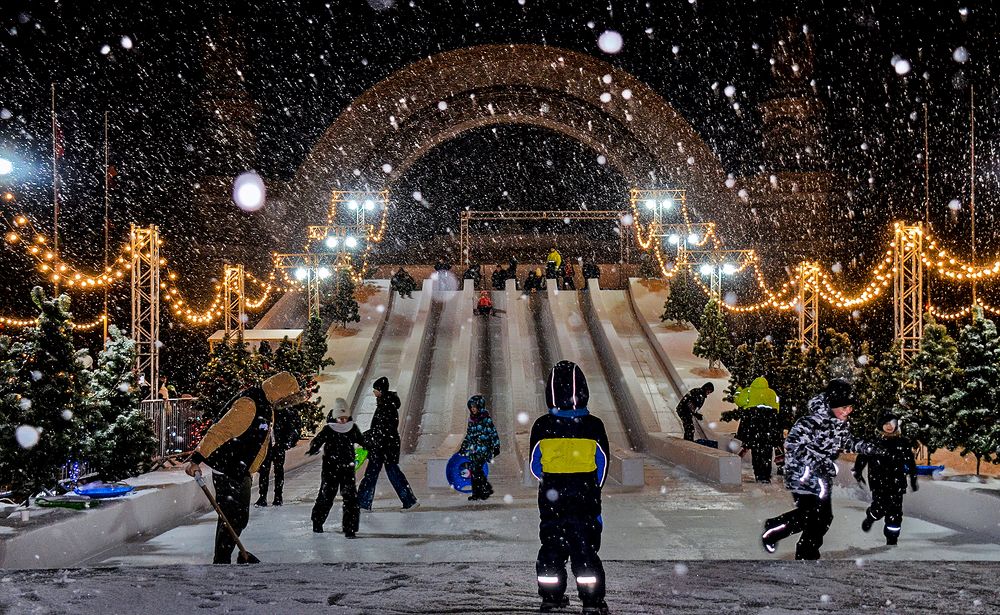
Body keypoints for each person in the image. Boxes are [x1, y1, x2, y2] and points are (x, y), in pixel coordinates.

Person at [185, 371, 302, 564]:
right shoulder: (250, 404)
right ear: (279, 390)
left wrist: (253, 467)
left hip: (241, 469)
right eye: (287, 396)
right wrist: (197, 458)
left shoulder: (266, 405)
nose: (287, 401)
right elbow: (220, 430)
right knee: (231, 518)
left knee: (239, 517)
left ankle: (229, 556)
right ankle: (221, 560)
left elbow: (262, 440)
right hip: (228, 467)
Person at [761, 378, 884, 560]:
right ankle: (804, 551)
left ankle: (779, 533)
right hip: (802, 475)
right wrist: (816, 462)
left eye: (850, 407)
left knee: (823, 518)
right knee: (812, 515)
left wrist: (869, 447)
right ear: (832, 404)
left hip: (822, 477)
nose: (848, 411)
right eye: (844, 407)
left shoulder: (840, 424)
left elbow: (846, 442)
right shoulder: (810, 422)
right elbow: (793, 445)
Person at [530, 361, 610, 615]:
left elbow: (534, 465)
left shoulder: (542, 425)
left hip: (552, 496)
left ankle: (551, 597)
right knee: (585, 549)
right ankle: (591, 601)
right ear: (583, 390)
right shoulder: (593, 425)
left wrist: (551, 482)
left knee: (552, 546)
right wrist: (592, 487)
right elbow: (603, 463)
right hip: (584, 494)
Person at [853, 412, 918, 545]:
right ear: (880, 425)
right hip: (879, 483)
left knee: (895, 514)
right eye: (886, 423)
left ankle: (892, 539)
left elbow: (910, 462)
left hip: (897, 484)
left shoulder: (902, 442)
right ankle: (871, 516)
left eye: (892, 423)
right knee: (880, 508)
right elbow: (862, 459)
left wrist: (913, 478)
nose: (889, 426)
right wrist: (858, 472)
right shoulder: (873, 442)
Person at [357, 377, 419, 511]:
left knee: (376, 474)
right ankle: (409, 500)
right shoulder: (385, 404)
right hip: (384, 446)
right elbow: (381, 429)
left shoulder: (386, 406)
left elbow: (383, 429)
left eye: (375, 389)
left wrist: (367, 437)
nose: (373, 392)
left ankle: (363, 503)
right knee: (387, 473)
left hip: (383, 446)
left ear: (380, 390)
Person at [308, 398, 366, 537]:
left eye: (345, 418)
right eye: (340, 418)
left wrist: (368, 444)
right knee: (326, 496)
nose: (343, 421)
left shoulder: (352, 428)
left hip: (347, 468)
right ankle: (318, 521)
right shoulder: (329, 429)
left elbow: (361, 440)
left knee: (350, 498)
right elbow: (318, 440)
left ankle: (350, 528)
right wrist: (314, 447)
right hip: (330, 469)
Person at [255, 399, 303, 507]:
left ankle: (278, 496)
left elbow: (290, 428)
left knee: (278, 471)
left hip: (278, 446)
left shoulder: (283, 413)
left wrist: (285, 443)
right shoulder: (264, 414)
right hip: (267, 447)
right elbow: (259, 428)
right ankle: (263, 497)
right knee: (264, 472)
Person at [734, 377, 781, 483]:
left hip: (754, 423)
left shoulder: (749, 391)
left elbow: (739, 402)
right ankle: (766, 475)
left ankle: (759, 475)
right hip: (768, 424)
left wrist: (738, 391)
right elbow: (777, 406)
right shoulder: (772, 392)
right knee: (767, 451)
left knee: (756, 452)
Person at [460, 395, 501, 501]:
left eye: (474, 407)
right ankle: (479, 492)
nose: (473, 409)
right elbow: (469, 435)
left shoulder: (485, 419)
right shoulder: (471, 420)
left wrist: (496, 446)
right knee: (474, 471)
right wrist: (464, 446)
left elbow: (493, 433)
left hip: (483, 449)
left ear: (479, 407)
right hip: (474, 449)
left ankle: (484, 489)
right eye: (471, 407)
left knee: (476, 470)